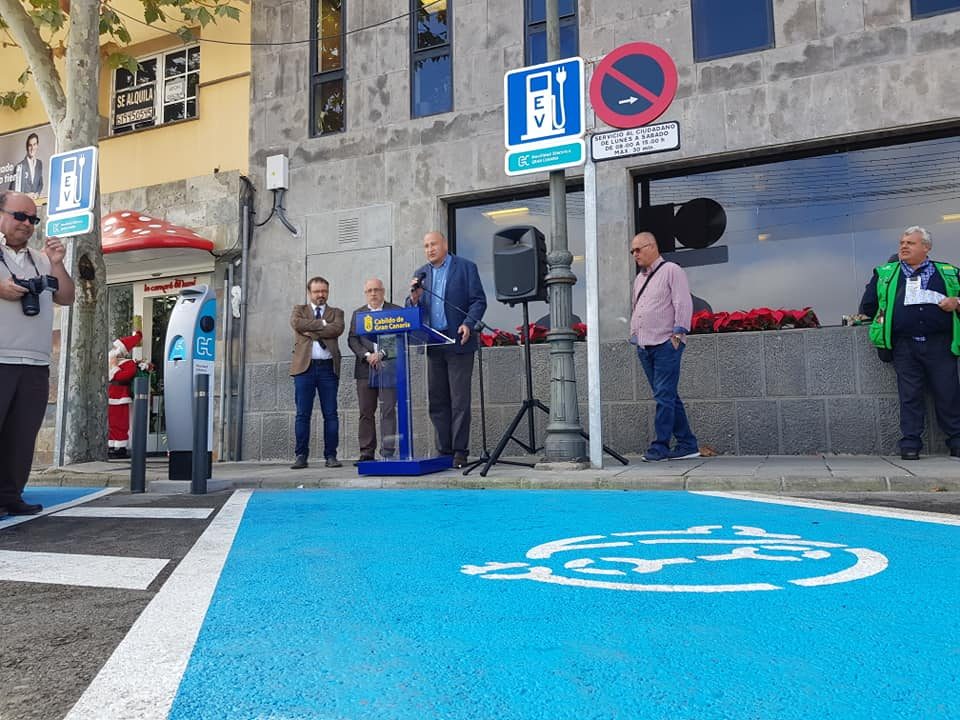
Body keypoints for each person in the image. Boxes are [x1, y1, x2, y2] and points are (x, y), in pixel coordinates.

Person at [0, 191, 75, 515]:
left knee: (21, 436)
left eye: (33, 219)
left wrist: (57, 263)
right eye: (20, 216)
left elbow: (67, 297)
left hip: (35, 363)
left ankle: (10, 496)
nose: (27, 224)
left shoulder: (41, 259)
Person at [859, 226, 960, 461]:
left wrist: (956, 302)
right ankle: (910, 444)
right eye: (902, 242)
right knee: (909, 395)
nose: (904, 246)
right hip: (904, 345)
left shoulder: (948, 272)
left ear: (926, 247)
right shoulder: (885, 273)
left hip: (941, 344)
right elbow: (868, 306)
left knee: (949, 393)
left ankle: (956, 441)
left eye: (910, 243)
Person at [407, 231, 487, 468]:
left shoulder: (466, 267)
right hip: (434, 343)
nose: (429, 249)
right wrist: (414, 298)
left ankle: (460, 451)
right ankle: (445, 450)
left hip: (458, 342)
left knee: (459, 400)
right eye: (425, 246)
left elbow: (478, 300)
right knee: (438, 400)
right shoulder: (420, 274)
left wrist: (468, 324)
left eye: (433, 244)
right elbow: (410, 307)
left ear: (445, 245)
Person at [629, 231, 699, 462]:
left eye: (638, 249)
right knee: (667, 395)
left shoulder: (672, 270)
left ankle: (660, 446)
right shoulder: (639, 279)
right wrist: (635, 336)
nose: (635, 254)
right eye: (632, 251)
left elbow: (682, 302)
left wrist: (678, 335)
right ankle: (687, 443)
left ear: (652, 247)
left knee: (663, 396)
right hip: (645, 345)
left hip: (666, 343)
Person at [290, 276, 345, 469]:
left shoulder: (337, 312)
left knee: (330, 414)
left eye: (324, 291)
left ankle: (331, 456)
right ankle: (301, 456)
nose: (321, 295)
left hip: (328, 368)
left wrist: (311, 328)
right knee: (302, 414)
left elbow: (337, 329)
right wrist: (323, 325)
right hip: (304, 368)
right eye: (316, 292)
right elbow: (297, 324)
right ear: (309, 292)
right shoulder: (299, 310)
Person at [347, 278, 401, 463]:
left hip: (388, 368)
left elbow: (401, 337)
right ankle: (366, 453)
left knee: (388, 410)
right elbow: (352, 340)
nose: (373, 293)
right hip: (365, 369)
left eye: (376, 290)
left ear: (383, 291)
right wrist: (367, 355)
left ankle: (388, 452)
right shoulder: (358, 314)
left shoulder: (395, 311)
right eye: (369, 290)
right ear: (365, 293)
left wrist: (383, 353)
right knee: (366, 411)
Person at [107, 329, 144, 459]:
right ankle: (111, 445)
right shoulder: (110, 362)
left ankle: (121, 446)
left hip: (121, 396)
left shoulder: (129, 364)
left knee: (121, 422)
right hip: (110, 395)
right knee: (111, 422)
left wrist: (115, 367)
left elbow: (123, 377)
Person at [9, 133, 43, 198]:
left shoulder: (39, 163)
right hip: (23, 205)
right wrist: (26, 195)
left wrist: (37, 193)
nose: (32, 148)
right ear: (27, 147)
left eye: (34, 144)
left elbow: (40, 183)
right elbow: (13, 192)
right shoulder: (20, 166)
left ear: (37, 146)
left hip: (35, 204)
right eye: (30, 145)